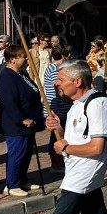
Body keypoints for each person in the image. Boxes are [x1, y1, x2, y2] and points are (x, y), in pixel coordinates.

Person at [43, 60, 107, 214]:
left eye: (61, 79)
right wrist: (58, 129)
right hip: (75, 170)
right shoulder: (76, 105)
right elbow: (74, 138)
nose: (56, 83)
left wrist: (66, 148)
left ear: (77, 82)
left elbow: (96, 147)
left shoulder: (99, 104)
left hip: (84, 174)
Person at [0, 44, 43, 197]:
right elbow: (8, 102)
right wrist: (22, 118)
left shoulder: (21, 73)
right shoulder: (6, 76)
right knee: (17, 153)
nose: (26, 58)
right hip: (17, 124)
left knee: (26, 153)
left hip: (30, 122)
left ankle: (22, 180)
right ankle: (12, 184)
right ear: (12, 59)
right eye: (23, 56)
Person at [44, 46, 70, 174]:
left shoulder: (50, 67)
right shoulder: (55, 69)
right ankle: (56, 164)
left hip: (55, 104)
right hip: (57, 105)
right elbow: (58, 88)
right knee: (57, 135)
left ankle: (58, 163)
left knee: (57, 134)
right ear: (63, 57)